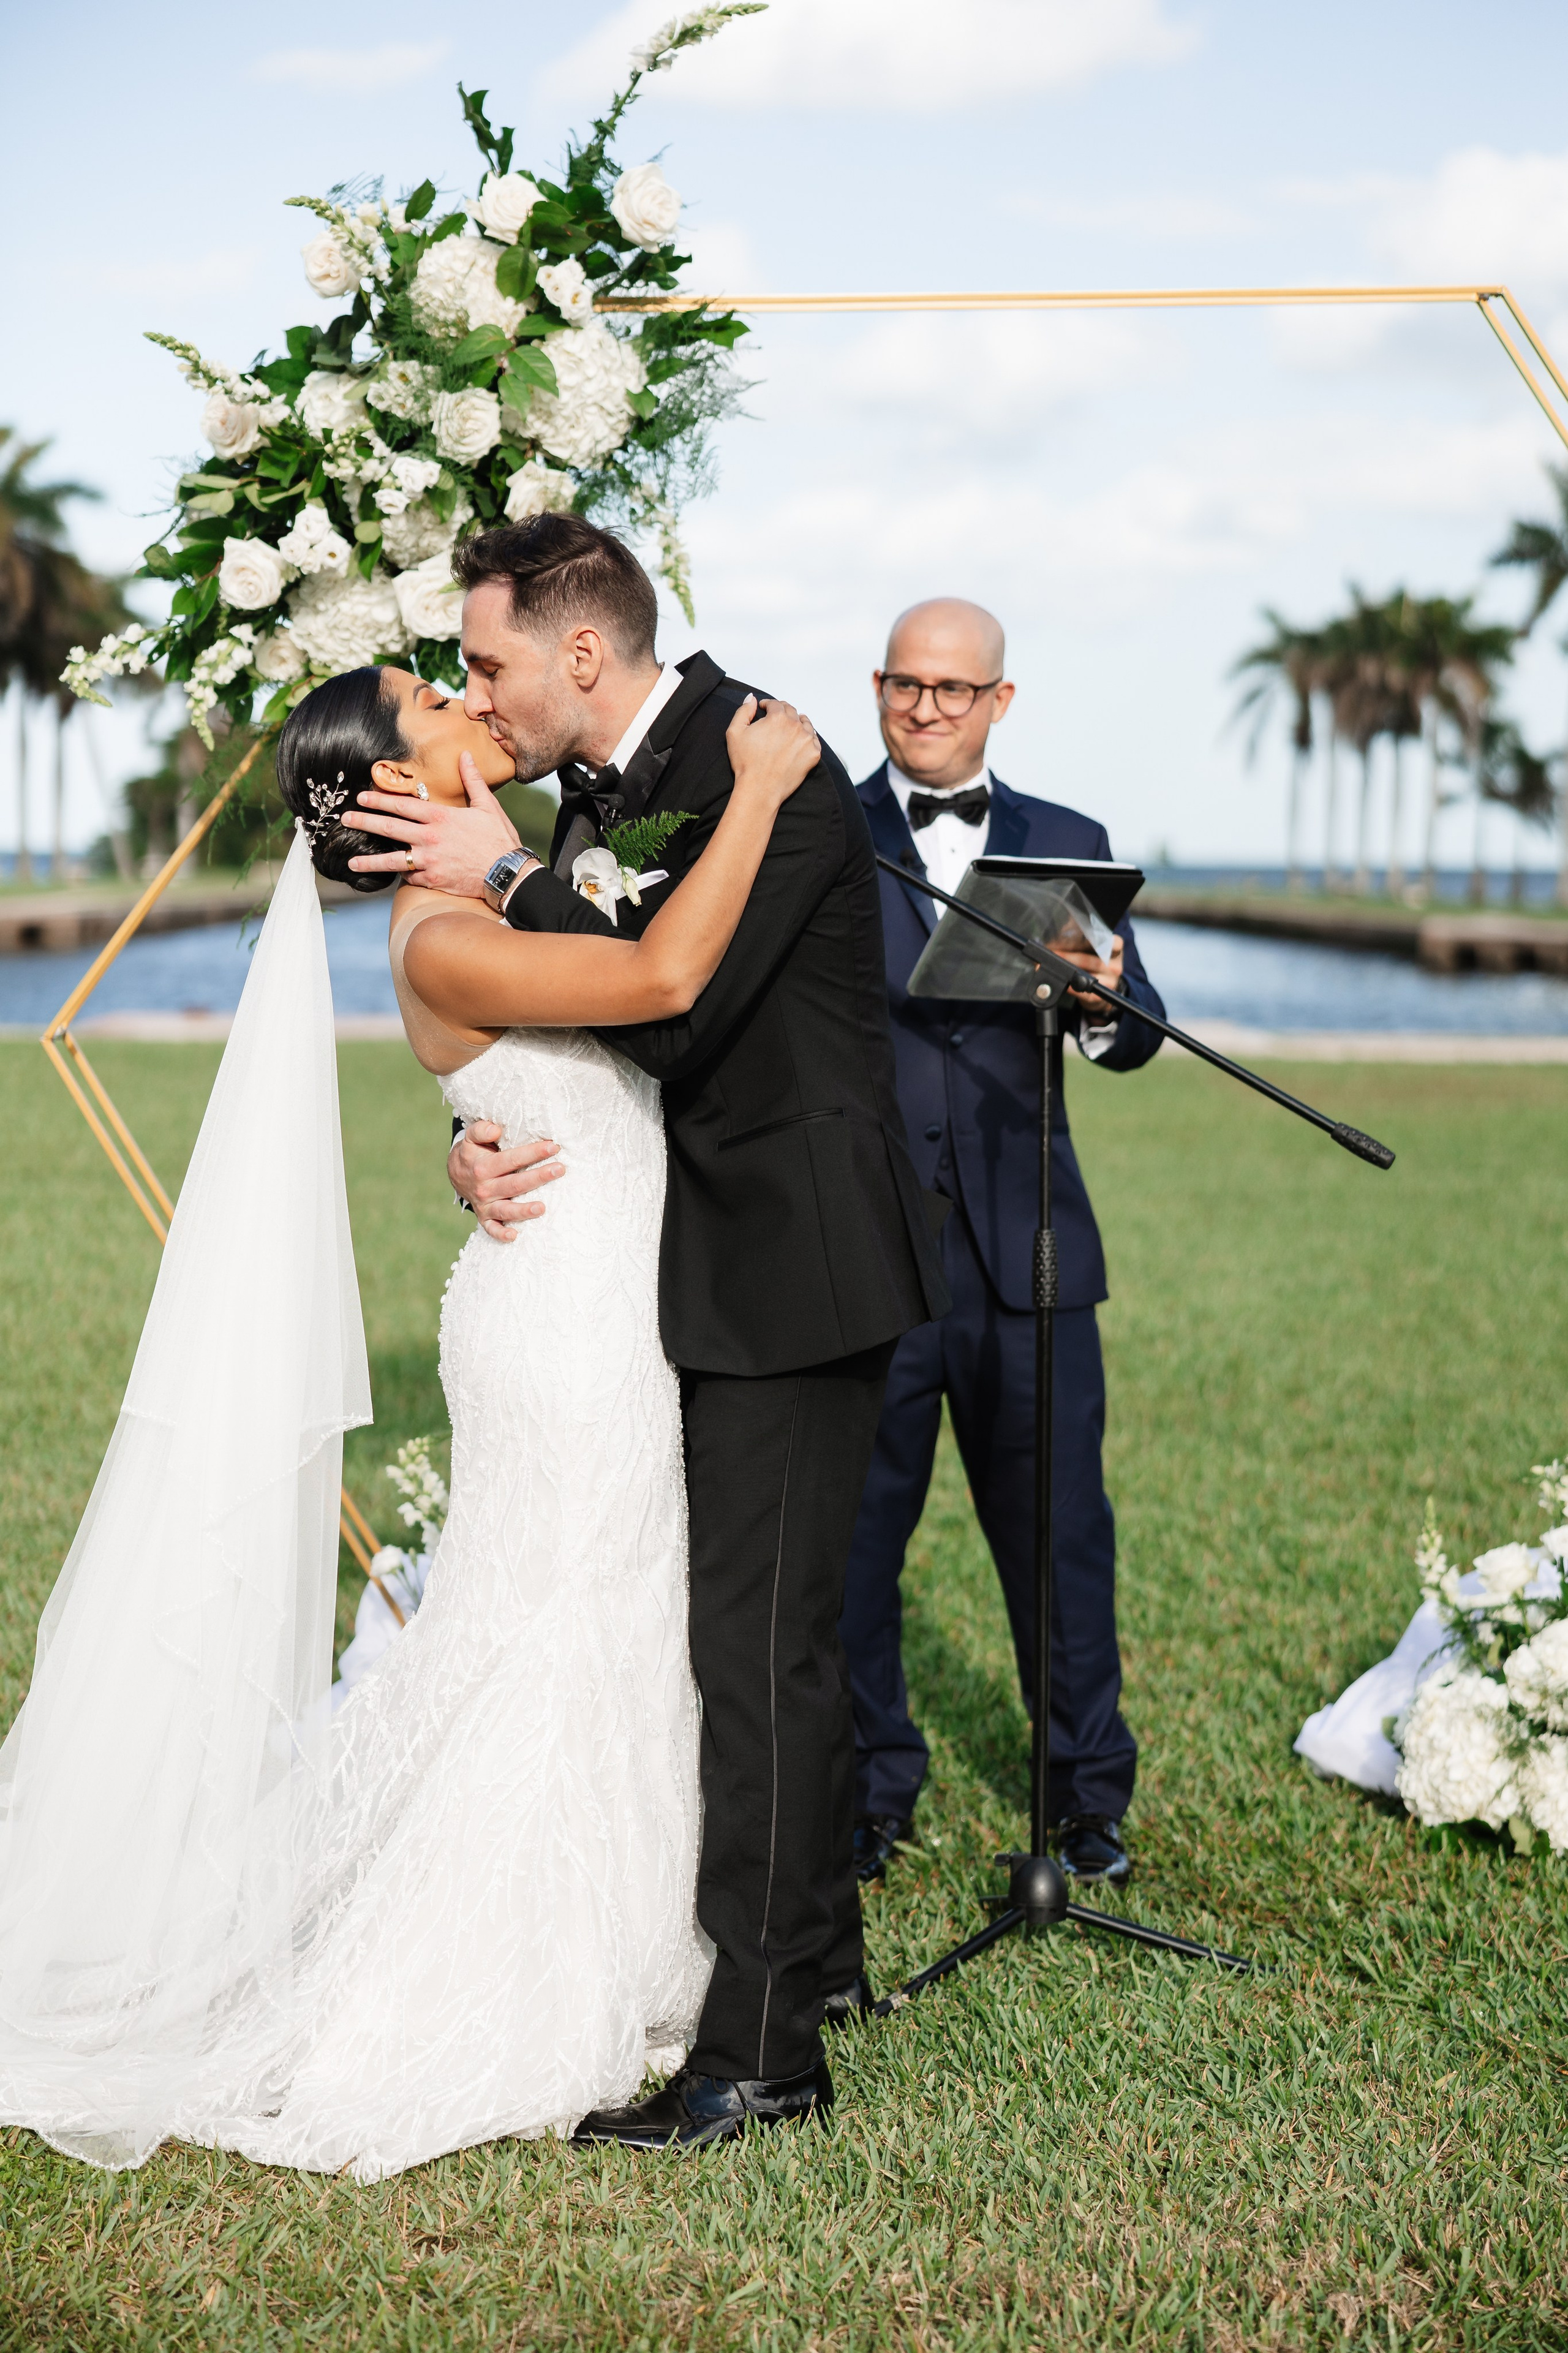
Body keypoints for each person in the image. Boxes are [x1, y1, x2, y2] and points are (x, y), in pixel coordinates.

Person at [0, 660, 823, 2178]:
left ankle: (636, 1935)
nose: (466, 695)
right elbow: (658, 982)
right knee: (560, 1623)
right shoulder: (447, 931)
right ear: (393, 779)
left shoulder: (490, 893)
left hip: (595, 1303)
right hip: (563, 1331)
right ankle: (502, 1968)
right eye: (432, 695)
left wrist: (470, 1132)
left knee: (606, 1617)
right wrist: (763, 793)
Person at [347, 515, 950, 2147]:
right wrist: (476, 1132)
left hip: (793, 1269)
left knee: (756, 1652)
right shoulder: (592, 796)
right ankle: (813, 1962)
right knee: (744, 1638)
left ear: (581, 651)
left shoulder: (770, 766)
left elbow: (676, 1013)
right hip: (673, 1273)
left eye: (488, 663)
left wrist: (507, 876)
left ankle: (759, 2056)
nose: (481, 693)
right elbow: (559, 1027)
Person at [843, 597, 1165, 1891]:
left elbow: (1137, 1031)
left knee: (1059, 1539)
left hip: (1032, 1255)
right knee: (856, 1544)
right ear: (878, 687)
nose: (924, 707)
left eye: (952, 688)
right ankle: (871, 1787)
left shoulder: (1067, 842)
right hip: (870, 1251)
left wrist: (1100, 1005)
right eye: (903, 683)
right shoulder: (821, 831)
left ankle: (1084, 1799)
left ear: (999, 701)